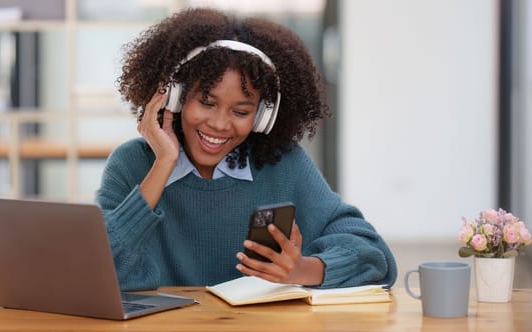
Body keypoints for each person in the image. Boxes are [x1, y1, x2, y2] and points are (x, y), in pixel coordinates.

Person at [95, 7, 397, 291]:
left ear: (263, 116)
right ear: (174, 97)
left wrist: (304, 270)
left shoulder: (283, 164)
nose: (220, 124)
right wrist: (164, 164)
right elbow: (96, 268)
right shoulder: (132, 163)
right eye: (207, 102)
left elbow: (374, 256)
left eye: (240, 112)